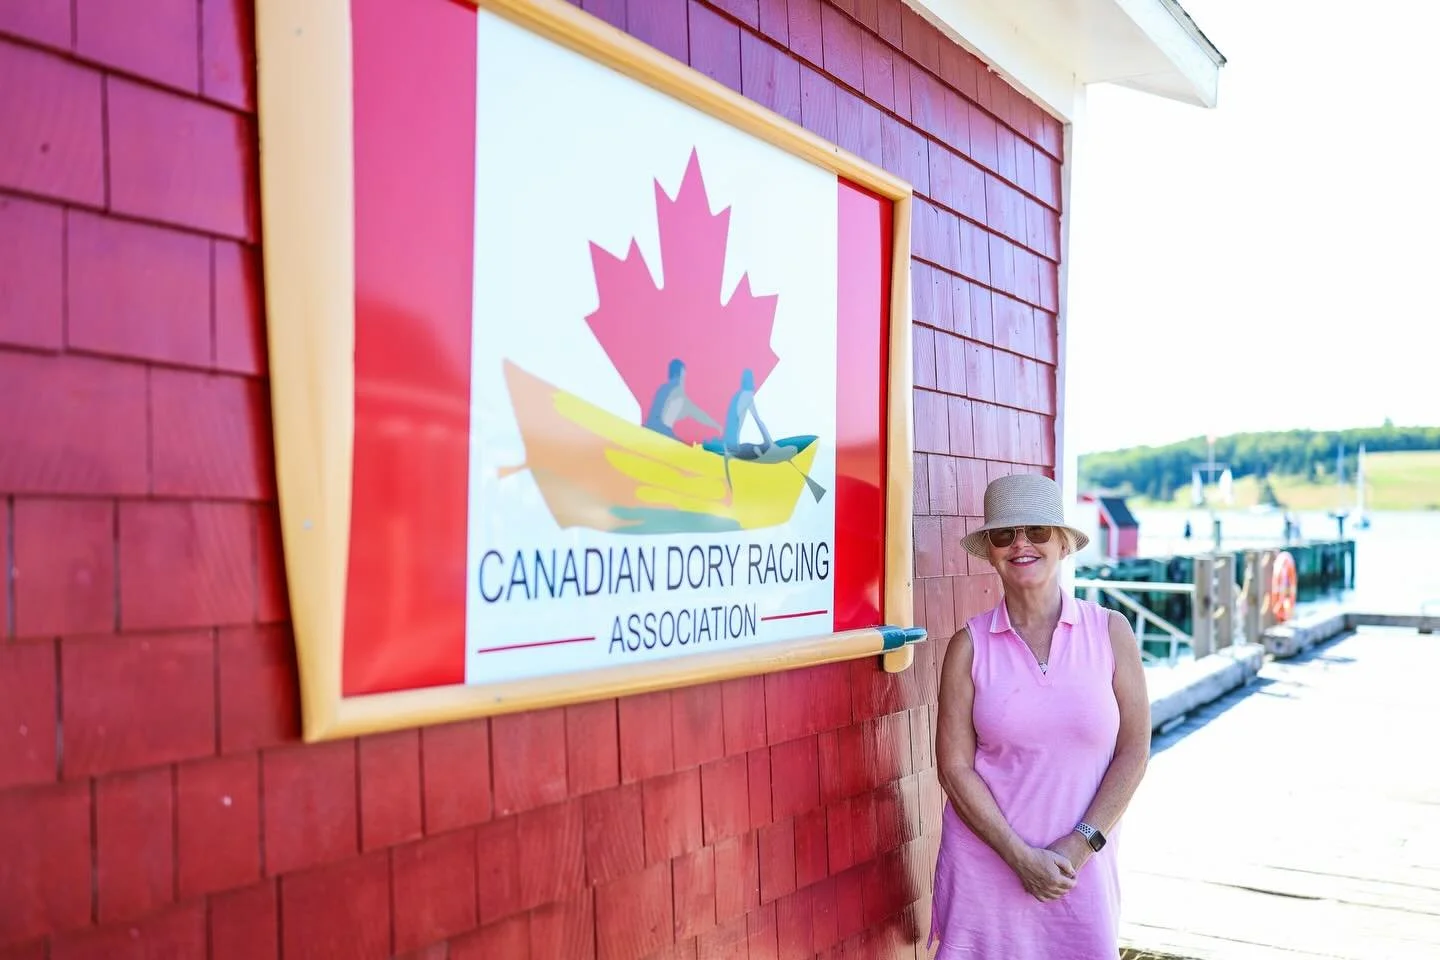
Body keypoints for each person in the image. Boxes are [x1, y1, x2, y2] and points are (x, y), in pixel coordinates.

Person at [929, 473, 1151, 959]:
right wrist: (1019, 856)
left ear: (1065, 544)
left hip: (1080, 868)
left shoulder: (1111, 632)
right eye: (1005, 534)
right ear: (990, 550)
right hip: (986, 866)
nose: (1021, 544)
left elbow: (1134, 749)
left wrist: (1079, 844)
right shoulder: (968, 647)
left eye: (1037, 531)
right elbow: (954, 768)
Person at [644, 358, 719, 439]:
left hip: (648, 428)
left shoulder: (662, 388)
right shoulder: (677, 391)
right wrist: (717, 426)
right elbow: (698, 414)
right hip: (661, 432)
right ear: (681, 374)